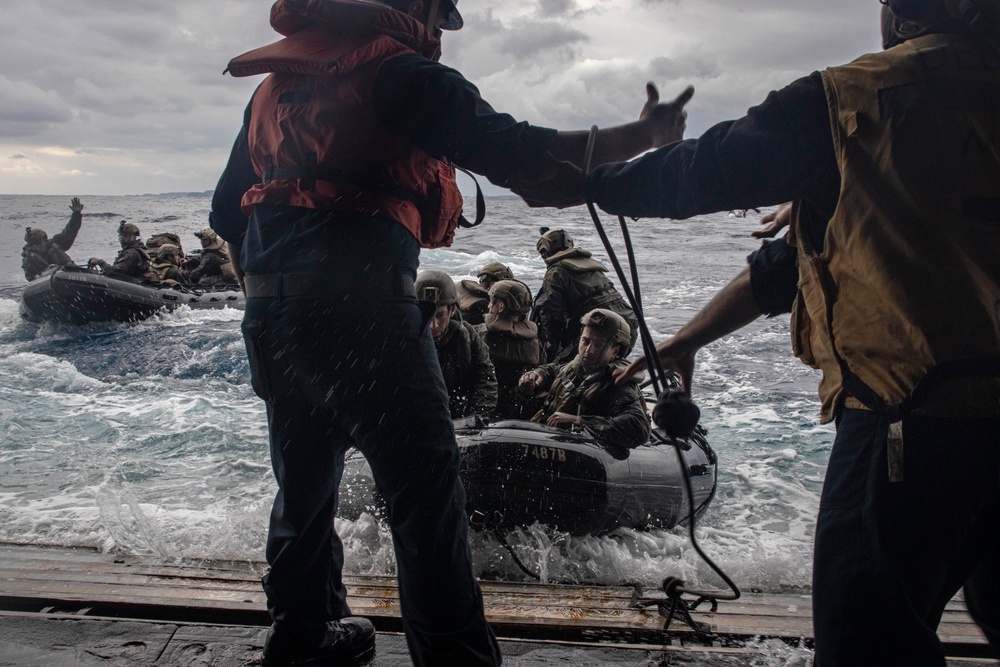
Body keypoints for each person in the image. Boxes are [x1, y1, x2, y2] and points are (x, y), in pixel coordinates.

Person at [209, 0, 693, 664]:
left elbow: (227, 215)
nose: (438, 32)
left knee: (303, 484)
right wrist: (642, 136)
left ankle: (301, 634)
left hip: (272, 319)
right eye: (438, 16)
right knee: (426, 501)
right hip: (368, 322)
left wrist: (271, 307)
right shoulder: (401, 74)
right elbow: (531, 159)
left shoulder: (274, 87)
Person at [570, 2, 1000, 663]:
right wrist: (688, 339)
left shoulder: (853, 99)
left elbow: (705, 169)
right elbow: (789, 265)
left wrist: (584, 174)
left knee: (867, 638)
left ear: (897, 15)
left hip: (911, 422)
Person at [519, 308, 649, 449]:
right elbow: (555, 370)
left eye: (598, 344)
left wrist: (579, 421)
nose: (588, 350)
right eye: (586, 341)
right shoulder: (576, 368)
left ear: (615, 351)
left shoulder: (619, 384)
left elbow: (638, 427)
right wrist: (539, 374)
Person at [533, 228, 638, 364]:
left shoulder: (555, 272)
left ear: (545, 253)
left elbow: (552, 314)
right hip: (628, 327)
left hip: (601, 328)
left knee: (562, 369)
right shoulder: (589, 265)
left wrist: (551, 342)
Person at [417, 270, 498, 419]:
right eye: (426, 316)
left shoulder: (466, 336)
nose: (433, 325)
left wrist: (475, 418)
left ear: (452, 310)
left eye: (440, 315)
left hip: (458, 416)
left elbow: (485, 380)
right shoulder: (404, 339)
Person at [473, 280, 541, 419]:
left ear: (501, 306)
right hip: (518, 410)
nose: (489, 305)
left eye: (492, 301)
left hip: (486, 406)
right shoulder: (534, 341)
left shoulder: (479, 334)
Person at [22, 197, 84, 281]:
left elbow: (70, 231)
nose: (36, 246)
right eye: (33, 245)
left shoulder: (55, 243)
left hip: (68, 275)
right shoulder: (28, 259)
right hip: (49, 283)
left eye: (39, 243)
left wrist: (76, 214)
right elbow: (31, 278)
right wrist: (46, 272)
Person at [89, 221, 154, 279]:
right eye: (120, 235)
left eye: (125, 235)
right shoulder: (136, 250)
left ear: (133, 237)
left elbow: (115, 272)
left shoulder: (131, 253)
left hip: (131, 285)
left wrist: (99, 262)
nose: (122, 238)